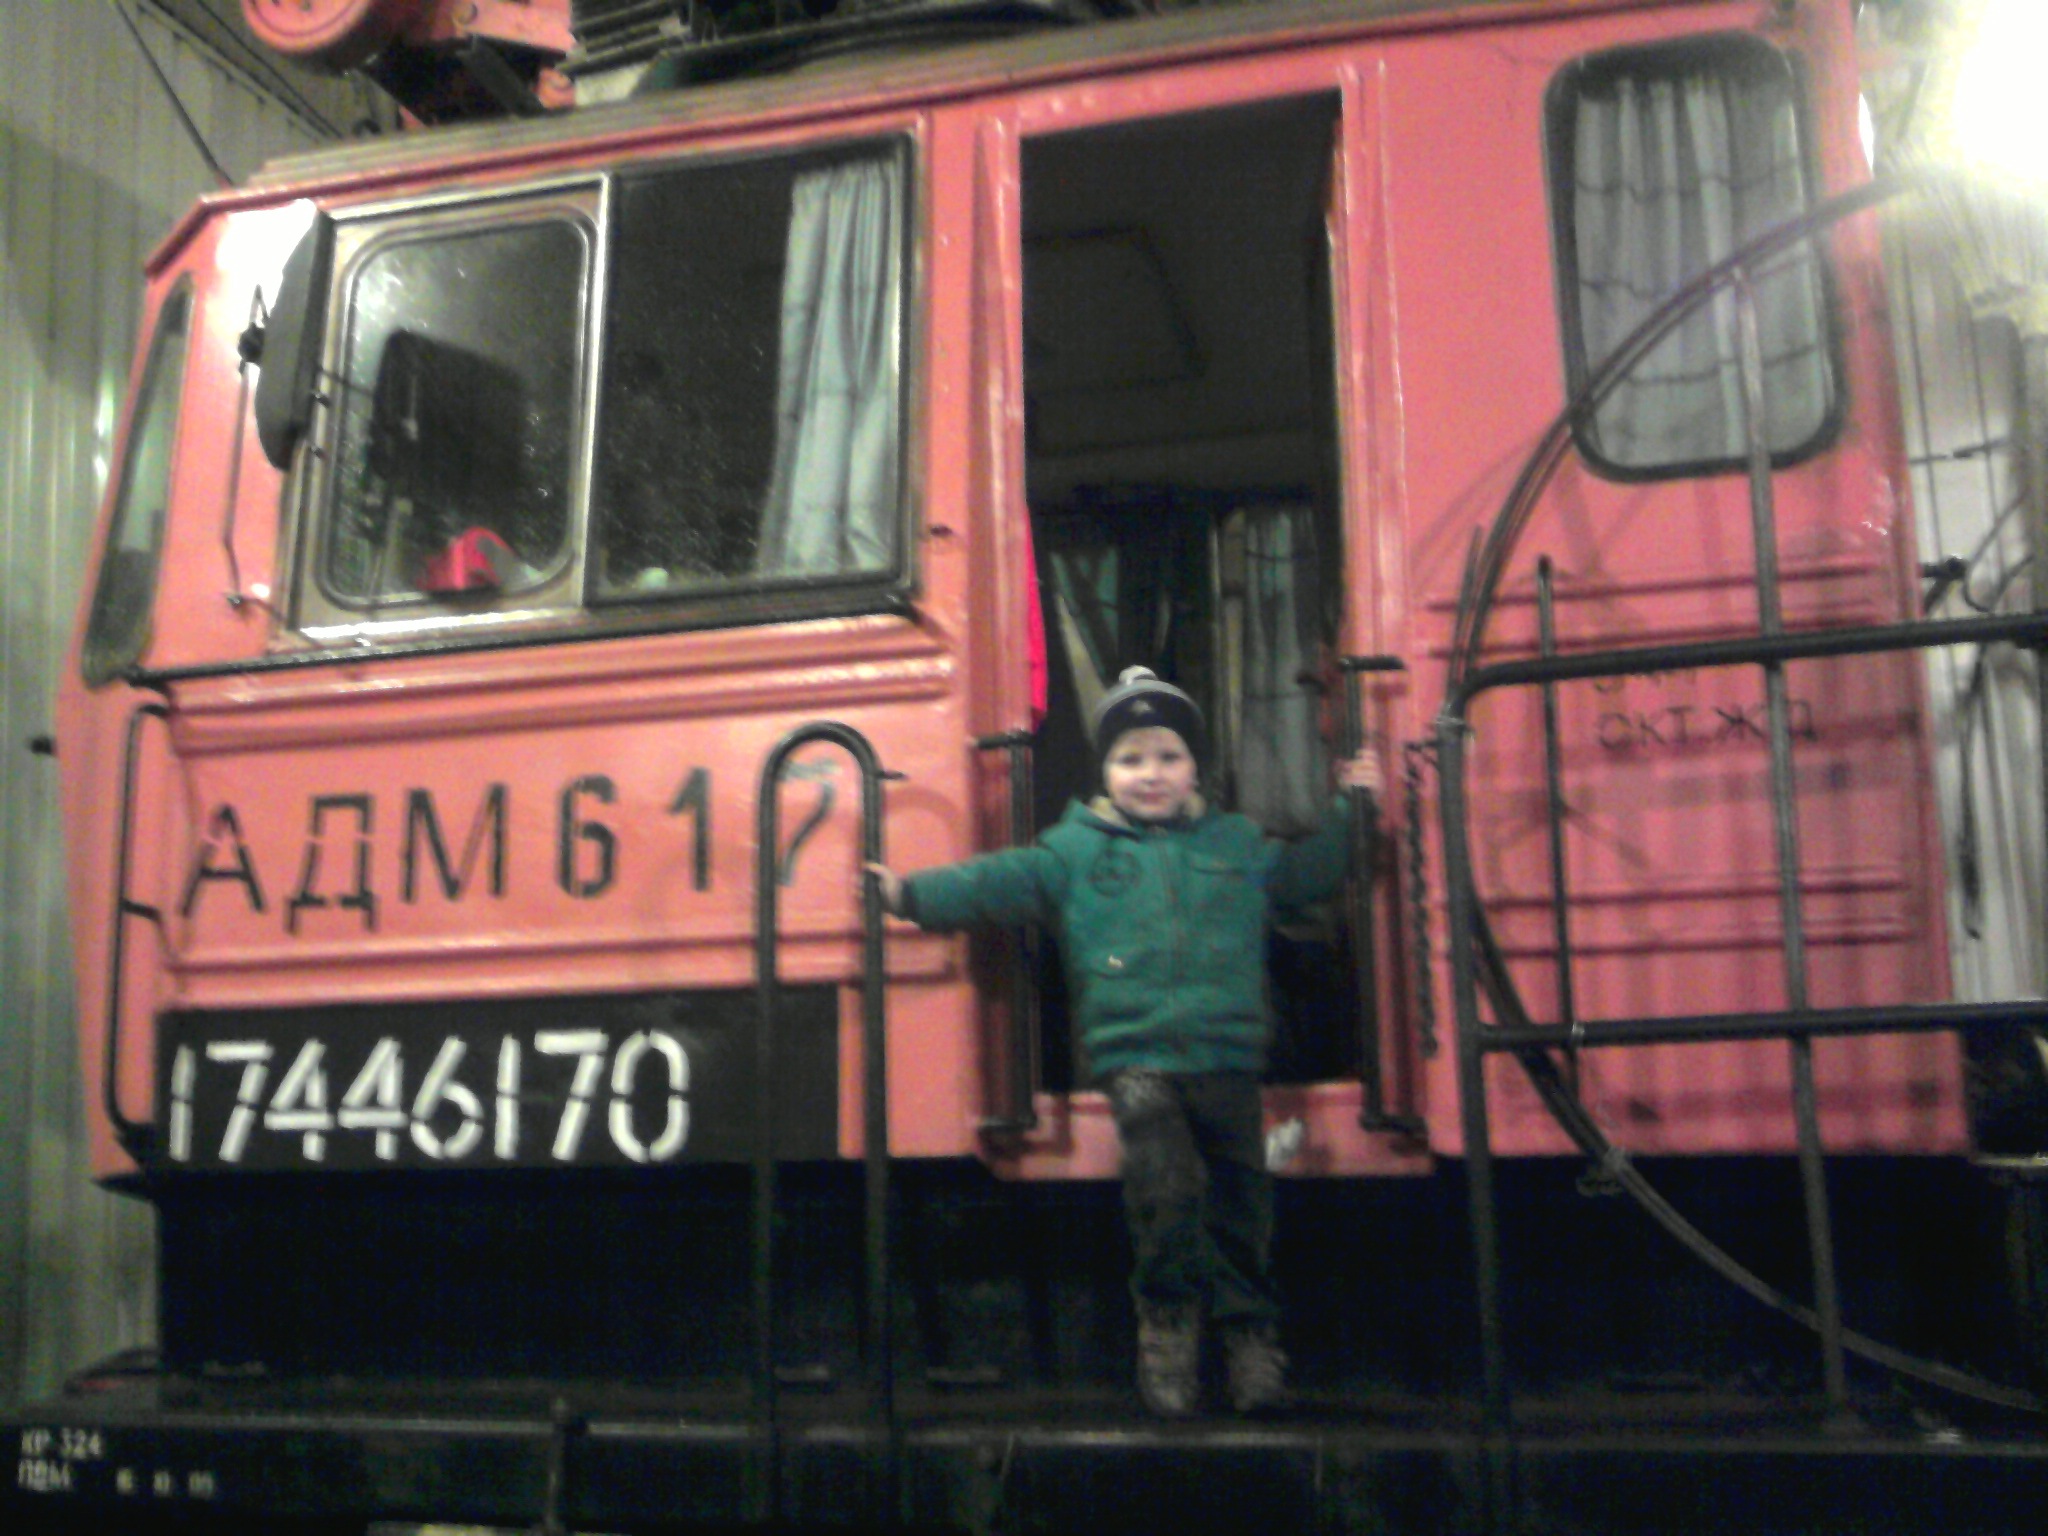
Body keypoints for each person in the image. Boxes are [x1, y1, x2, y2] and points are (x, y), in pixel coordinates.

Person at [866, 666, 1383, 1417]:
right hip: (1138, 1061)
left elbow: (1310, 874)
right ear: (1105, 772)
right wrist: (909, 895)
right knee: (1165, 1191)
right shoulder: (1072, 852)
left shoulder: (1238, 843)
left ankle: (1249, 1337)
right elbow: (993, 882)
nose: (1151, 773)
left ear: (1195, 767)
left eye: (1169, 756)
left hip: (1228, 1059)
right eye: (1130, 758)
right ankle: (1167, 1327)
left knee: (1242, 1205)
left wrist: (1354, 807)